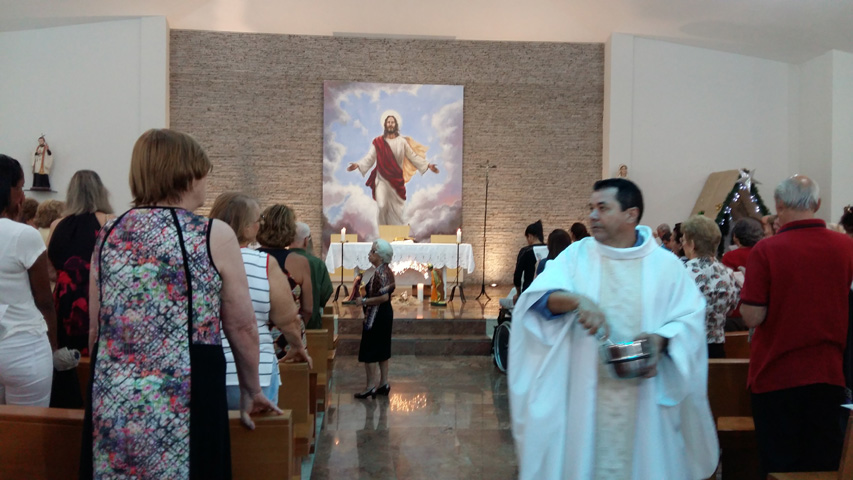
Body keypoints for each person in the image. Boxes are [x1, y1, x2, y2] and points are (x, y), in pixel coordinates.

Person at [81, 129, 280, 479]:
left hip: (116, 387)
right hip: (189, 384)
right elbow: (241, 325)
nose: (206, 182)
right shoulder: (211, 233)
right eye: (204, 173)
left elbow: (96, 325)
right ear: (187, 175)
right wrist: (252, 388)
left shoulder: (110, 232)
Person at [508, 178, 717, 480]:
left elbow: (690, 320)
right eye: (591, 207)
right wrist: (576, 300)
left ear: (631, 214)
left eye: (603, 208)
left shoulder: (666, 266)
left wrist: (660, 340)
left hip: (646, 403)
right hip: (585, 400)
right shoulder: (577, 256)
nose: (592, 215)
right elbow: (536, 301)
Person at [741, 175, 853, 476]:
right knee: (823, 466)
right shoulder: (846, 246)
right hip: (828, 375)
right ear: (818, 203)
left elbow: (752, 317)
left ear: (778, 205)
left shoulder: (766, 250)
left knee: (780, 465)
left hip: (776, 374)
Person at [209, 192, 312, 410]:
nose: (260, 226)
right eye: (258, 221)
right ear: (246, 228)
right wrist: (297, 345)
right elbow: (288, 319)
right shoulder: (263, 263)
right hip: (256, 372)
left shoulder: (199, 257)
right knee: (258, 431)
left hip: (207, 370)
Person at [0, 155, 62, 407]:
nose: (23, 197)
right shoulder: (24, 234)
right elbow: (44, 301)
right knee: (28, 428)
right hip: (23, 347)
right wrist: (54, 348)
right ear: (7, 190)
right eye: (20, 187)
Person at [346, 112, 440, 225]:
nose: (390, 124)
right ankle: (382, 231)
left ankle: (395, 232)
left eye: (392, 122)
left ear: (396, 125)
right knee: (382, 206)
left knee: (397, 211)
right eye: (388, 122)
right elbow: (370, 157)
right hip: (382, 179)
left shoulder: (402, 142)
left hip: (397, 181)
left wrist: (427, 165)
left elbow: (413, 156)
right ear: (385, 124)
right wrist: (358, 164)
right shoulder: (378, 142)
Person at [681, 215, 741, 358]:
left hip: (688, 348)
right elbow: (731, 310)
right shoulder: (727, 273)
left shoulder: (681, 274)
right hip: (717, 348)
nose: (682, 244)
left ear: (692, 244)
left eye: (683, 240)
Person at [256, 204, 312, 352]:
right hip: (289, 342)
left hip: (258, 339)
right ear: (290, 230)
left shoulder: (250, 258)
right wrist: (297, 327)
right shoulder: (299, 262)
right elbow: (308, 309)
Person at [353, 239, 396, 399]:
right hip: (384, 314)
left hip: (377, 315)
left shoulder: (380, 273)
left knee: (370, 349)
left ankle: (370, 386)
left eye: (372, 251)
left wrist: (364, 301)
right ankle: (383, 383)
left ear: (380, 256)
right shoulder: (386, 270)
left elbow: (384, 297)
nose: (369, 254)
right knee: (382, 349)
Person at [721, 217, 764, 331]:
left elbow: (727, 287)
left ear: (735, 237)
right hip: (759, 312)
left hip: (736, 314)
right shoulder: (763, 254)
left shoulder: (730, 257)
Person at [288, 222, 333, 330]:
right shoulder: (317, 264)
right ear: (306, 241)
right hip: (311, 324)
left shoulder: (278, 260)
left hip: (285, 326)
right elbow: (326, 292)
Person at [513, 220, 545, 296]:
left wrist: (518, 293)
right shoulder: (549, 248)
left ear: (530, 236)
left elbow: (517, 275)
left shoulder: (525, 251)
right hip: (545, 290)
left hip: (528, 291)